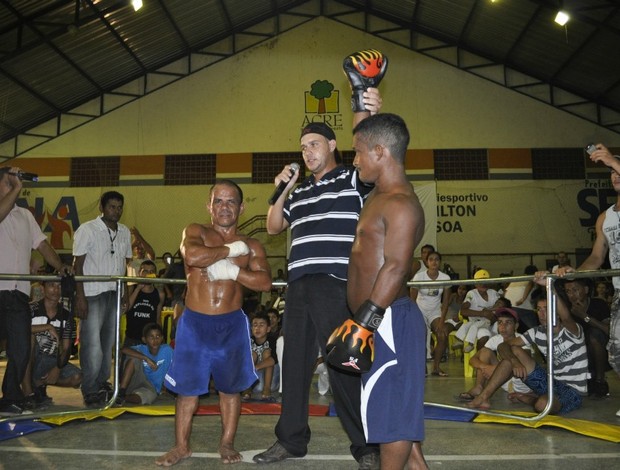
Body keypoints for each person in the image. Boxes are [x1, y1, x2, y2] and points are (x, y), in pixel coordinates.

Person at [253, 90, 383, 469]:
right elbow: (273, 226)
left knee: (343, 364)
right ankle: (290, 441)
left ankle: (366, 446)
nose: (308, 152)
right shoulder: (302, 191)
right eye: (303, 147)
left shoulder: (351, 178)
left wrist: (370, 111)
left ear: (332, 145)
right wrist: (282, 189)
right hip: (298, 287)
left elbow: (375, 153)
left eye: (314, 144)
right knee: (293, 366)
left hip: (334, 283)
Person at [156, 179, 272, 466]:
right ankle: (181, 446)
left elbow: (265, 282)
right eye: (218, 201)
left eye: (231, 201)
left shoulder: (253, 244)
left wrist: (231, 272)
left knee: (230, 389)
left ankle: (227, 443)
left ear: (241, 207)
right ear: (209, 206)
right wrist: (232, 251)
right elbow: (193, 256)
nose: (224, 207)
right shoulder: (196, 231)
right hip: (195, 323)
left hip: (231, 324)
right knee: (187, 391)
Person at [345, 113, 428, 469]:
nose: (355, 159)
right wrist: (363, 96)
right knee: (394, 409)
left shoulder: (401, 204)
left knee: (390, 415)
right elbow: (373, 130)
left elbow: (396, 266)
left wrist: (364, 322)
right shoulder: (380, 194)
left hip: (387, 319)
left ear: (380, 152)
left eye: (359, 152)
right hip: (381, 319)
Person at [0, 166, 72, 415]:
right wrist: (17, 186)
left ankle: (10, 396)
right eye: (10, 183)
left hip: (18, 293)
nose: (15, 187)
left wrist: (60, 265)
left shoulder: (25, 216)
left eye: (16, 184)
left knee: (20, 349)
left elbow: (42, 245)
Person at [556, 143, 620, 417]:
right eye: (611, 173)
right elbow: (597, 257)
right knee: (616, 350)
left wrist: (611, 159)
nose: (614, 175)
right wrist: (575, 272)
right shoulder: (605, 217)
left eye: (617, 170)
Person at [467, 279, 588, 414]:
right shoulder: (536, 332)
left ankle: (531, 399)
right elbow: (503, 346)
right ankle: (483, 397)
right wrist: (514, 362)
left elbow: (566, 317)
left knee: (542, 404)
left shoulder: (573, 330)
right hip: (550, 383)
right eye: (539, 309)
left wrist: (549, 286)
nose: (541, 314)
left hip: (572, 390)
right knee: (513, 351)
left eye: (546, 309)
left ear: (556, 311)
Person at [73, 191, 133, 408]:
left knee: (108, 342)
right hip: (91, 292)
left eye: (119, 207)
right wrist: (79, 296)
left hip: (114, 292)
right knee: (92, 344)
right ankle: (89, 388)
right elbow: (76, 265)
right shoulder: (87, 230)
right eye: (111, 207)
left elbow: (125, 266)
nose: (115, 211)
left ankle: (102, 382)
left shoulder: (125, 232)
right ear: (102, 207)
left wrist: (125, 293)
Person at [23, 278, 81, 408]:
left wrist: (57, 368)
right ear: (42, 288)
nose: (56, 290)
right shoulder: (30, 309)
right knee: (29, 337)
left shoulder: (67, 315)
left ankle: (39, 384)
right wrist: (47, 327)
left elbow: (66, 349)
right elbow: (20, 331)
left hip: (51, 360)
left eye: (59, 286)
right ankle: (27, 390)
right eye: (51, 285)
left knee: (77, 378)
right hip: (31, 359)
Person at [457, 307, 533, 402]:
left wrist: (494, 369)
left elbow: (523, 363)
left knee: (512, 360)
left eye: (508, 322)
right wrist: (485, 367)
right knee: (485, 352)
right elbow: (472, 360)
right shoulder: (495, 339)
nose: (503, 326)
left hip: (521, 384)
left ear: (516, 326)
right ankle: (478, 387)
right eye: (500, 322)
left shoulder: (522, 339)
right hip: (503, 382)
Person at [561, 278, 610, 398]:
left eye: (575, 290)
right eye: (568, 291)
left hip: (601, 353)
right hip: (577, 355)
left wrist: (585, 316)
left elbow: (609, 330)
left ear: (586, 289)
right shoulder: (566, 309)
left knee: (595, 334)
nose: (572, 294)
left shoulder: (599, 304)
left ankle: (600, 381)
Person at [410, 251, 451, 376]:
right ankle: (422, 367)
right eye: (431, 259)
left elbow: (445, 303)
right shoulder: (419, 277)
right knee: (421, 336)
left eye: (437, 259)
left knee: (442, 335)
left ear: (440, 262)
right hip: (419, 309)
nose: (434, 262)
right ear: (427, 262)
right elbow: (412, 300)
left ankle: (436, 368)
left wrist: (442, 320)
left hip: (435, 311)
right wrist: (416, 318)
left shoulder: (445, 278)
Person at [117, 323, 173, 406]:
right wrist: (146, 358)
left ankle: (122, 398)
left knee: (146, 397)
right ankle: (121, 391)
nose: (155, 340)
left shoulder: (167, 350)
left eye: (158, 336)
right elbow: (124, 349)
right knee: (135, 358)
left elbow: (176, 366)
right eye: (151, 337)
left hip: (150, 388)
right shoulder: (141, 348)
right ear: (144, 339)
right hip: (136, 380)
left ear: (162, 338)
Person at [454, 269, 500, 352]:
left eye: (485, 281)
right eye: (480, 282)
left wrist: (493, 316)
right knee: (482, 335)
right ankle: (478, 356)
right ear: (475, 284)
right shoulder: (472, 294)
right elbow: (463, 311)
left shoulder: (493, 293)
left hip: (492, 324)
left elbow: (502, 307)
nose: (483, 284)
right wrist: (482, 313)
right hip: (478, 324)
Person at [123, 260, 165, 349]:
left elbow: (158, 318)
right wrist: (138, 288)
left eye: (151, 272)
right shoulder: (131, 289)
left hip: (150, 341)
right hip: (132, 338)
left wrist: (160, 340)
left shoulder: (159, 294)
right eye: (145, 271)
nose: (148, 274)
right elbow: (125, 309)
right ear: (139, 273)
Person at [242, 312, 277, 402]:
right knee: (252, 354)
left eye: (261, 325)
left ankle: (267, 388)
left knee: (267, 353)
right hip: (255, 375)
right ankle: (248, 387)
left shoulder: (272, 341)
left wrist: (255, 367)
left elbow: (273, 360)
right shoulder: (249, 341)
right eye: (255, 325)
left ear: (268, 329)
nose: (257, 328)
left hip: (270, 374)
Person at [503, 264, 539, 332]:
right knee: (534, 331)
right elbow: (530, 284)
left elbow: (505, 292)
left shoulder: (516, 279)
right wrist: (523, 299)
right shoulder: (531, 278)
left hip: (509, 307)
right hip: (522, 308)